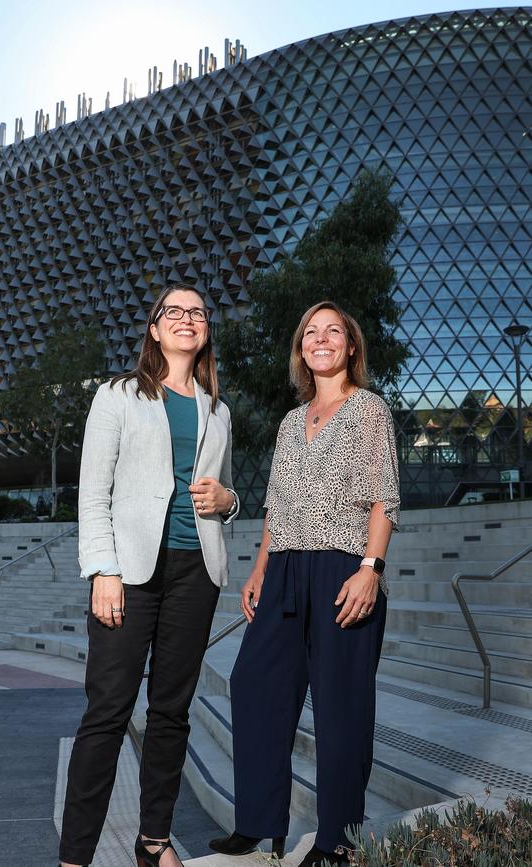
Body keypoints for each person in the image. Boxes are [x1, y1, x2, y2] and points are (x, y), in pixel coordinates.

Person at [209, 301, 399, 866]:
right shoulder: (292, 422)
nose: (320, 339)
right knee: (252, 684)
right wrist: (262, 567)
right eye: (310, 332)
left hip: (344, 569)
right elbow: (278, 506)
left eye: (332, 331)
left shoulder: (368, 409)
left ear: (351, 347)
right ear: (301, 350)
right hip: (286, 570)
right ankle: (260, 823)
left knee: (341, 709)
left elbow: (384, 497)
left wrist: (372, 568)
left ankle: (337, 838)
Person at [59, 284, 239, 867]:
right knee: (107, 711)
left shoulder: (218, 410)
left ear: (205, 330)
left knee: (171, 712)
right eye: (175, 312)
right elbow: (93, 491)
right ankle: (74, 856)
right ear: (155, 329)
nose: (188, 319)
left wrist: (228, 499)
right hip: (130, 571)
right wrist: (103, 570)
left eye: (197, 313)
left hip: (197, 571)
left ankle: (153, 842)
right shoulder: (118, 396)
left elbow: (227, 492)